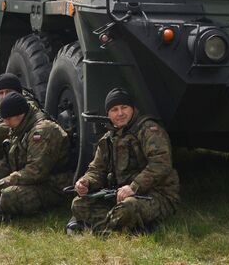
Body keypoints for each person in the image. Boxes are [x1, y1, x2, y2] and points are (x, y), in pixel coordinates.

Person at [69, 88, 180, 235]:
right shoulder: (107, 139)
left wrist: (134, 187)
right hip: (119, 195)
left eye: (124, 108)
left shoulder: (149, 130)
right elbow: (96, 169)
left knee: (128, 209)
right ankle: (127, 229)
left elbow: (161, 164)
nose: (120, 113)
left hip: (155, 195)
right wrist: (85, 182)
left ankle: (103, 228)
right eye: (114, 109)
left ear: (133, 109)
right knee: (78, 203)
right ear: (108, 114)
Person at [0, 92, 71, 224]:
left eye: (8, 119)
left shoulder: (43, 131)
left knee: (10, 194)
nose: (6, 123)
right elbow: (8, 160)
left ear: (21, 114)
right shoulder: (19, 127)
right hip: (27, 180)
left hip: (51, 186)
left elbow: (35, 172)